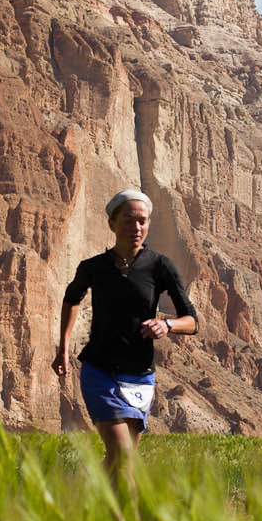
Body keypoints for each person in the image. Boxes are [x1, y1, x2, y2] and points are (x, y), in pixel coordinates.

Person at [53, 188, 198, 493]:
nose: (136, 227)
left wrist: (167, 325)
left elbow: (192, 320)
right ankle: (129, 518)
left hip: (140, 376)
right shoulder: (93, 267)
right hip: (100, 370)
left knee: (123, 463)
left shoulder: (160, 266)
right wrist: (63, 347)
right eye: (128, 220)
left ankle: (75, 495)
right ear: (112, 224)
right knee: (121, 452)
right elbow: (72, 298)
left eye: (142, 221)